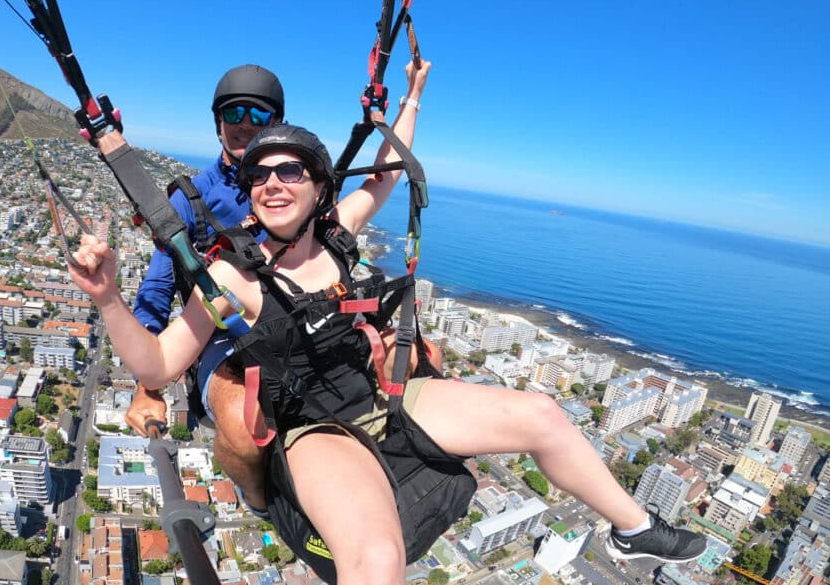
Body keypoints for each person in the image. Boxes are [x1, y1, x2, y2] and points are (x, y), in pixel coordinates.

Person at [70, 60, 706, 584]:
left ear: (319, 188)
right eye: (259, 176)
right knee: (376, 560)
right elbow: (158, 363)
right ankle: (265, 496)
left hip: (382, 393)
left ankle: (633, 529)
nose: (273, 184)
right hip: (316, 424)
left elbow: (388, 172)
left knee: (541, 414)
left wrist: (411, 99)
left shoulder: (338, 233)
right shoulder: (233, 275)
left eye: (290, 171)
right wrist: (107, 298)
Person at [125, 63, 285, 513]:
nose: (245, 124)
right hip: (220, 335)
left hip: (287, 323)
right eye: (235, 113)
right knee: (240, 417)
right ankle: (260, 504)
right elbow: (157, 289)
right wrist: (147, 385)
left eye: (259, 115)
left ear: (276, 125)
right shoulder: (192, 200)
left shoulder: (288, 186)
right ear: (218, 123)